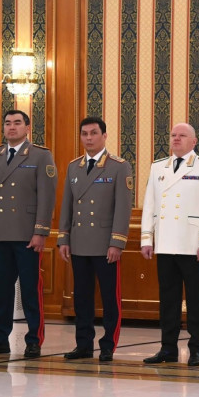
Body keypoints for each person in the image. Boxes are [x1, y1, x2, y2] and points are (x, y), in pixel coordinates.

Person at [140, 123, 199, 367]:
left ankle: (197, 349)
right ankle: (168, 348)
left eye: (182, 135)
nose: (176, 139)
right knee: (168, 300)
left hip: (192, 243)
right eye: (173, 135)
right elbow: (149, 205)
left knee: (196, 301)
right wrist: (147, 238)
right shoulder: (158, 167)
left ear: (194, 141)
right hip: (165, 242)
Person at [0, 110, 57, 358]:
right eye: (7, 123)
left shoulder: (40, 155)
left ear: (27, 128)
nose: (11, 127)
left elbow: (47, 197)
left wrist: (40, 231)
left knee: (30, 290)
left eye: (17, 123)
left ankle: (34, 340)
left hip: (27, 234)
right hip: (1, 232)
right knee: (2, 290)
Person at [57, 117, 133, 362]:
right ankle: (83, 344)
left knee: (110, 298)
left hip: (105, 244)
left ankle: (108, 344)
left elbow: (123, 208)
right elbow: (67, 205)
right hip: (79, 243)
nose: (88, 138)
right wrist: (63, 238)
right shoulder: (74, 167)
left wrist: (117, 242)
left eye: (93, 133)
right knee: (82, 298)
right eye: (84, 134)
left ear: (104, 135)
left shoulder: (119, 166)